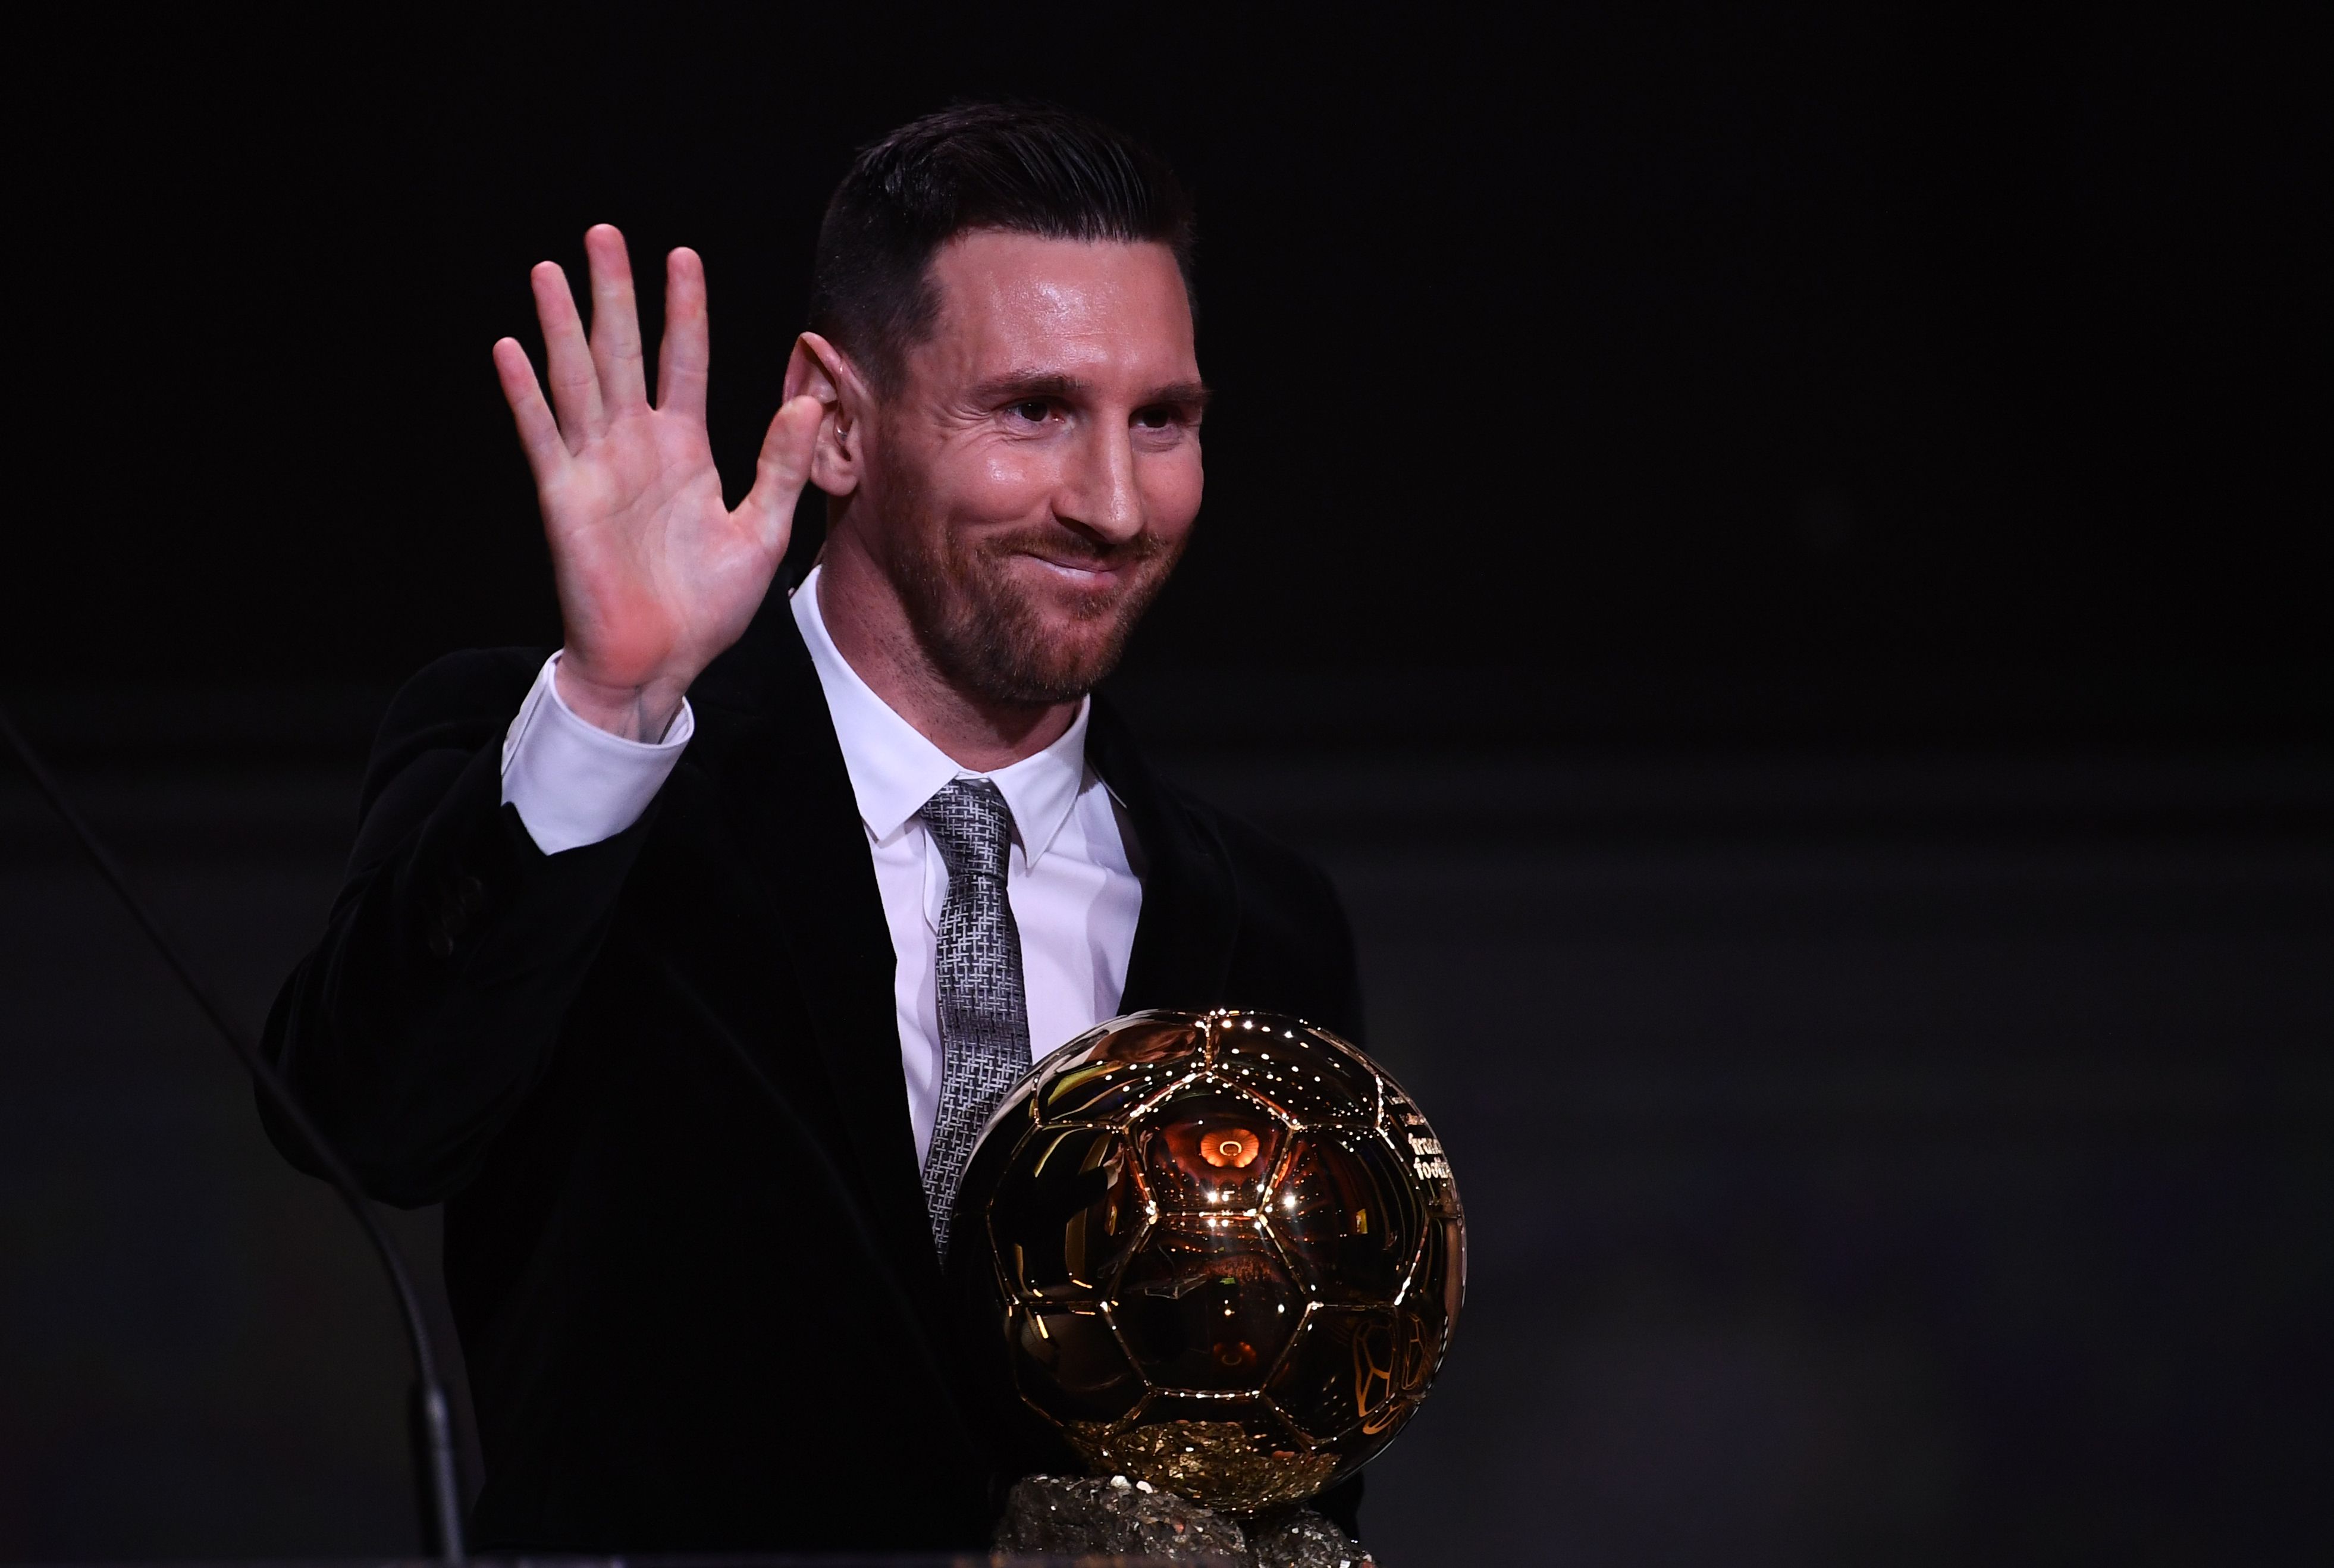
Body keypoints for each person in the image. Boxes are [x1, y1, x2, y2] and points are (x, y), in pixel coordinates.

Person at [261, 102, 1366, 1553]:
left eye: (1161, 420)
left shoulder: (1269, 924)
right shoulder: (596, 777)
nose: (1112, 503)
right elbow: (359, 1120)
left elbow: (1296, 1456)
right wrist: (616, 699)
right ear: (837, 421)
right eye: (1035, 409)